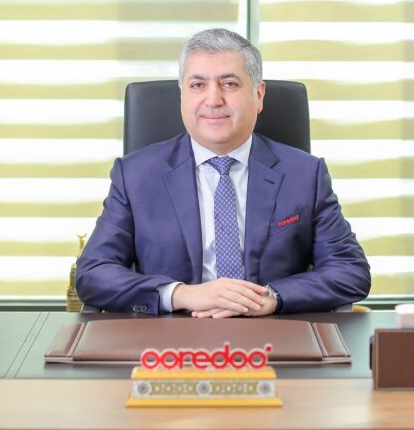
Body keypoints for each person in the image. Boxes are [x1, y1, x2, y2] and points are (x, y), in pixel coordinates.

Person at [75, 28, 371, 316]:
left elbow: (350, 270)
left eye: (229, 84)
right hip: (171, 335)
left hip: (274, 332)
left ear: (259, 95)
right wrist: (181, 294)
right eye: (197, 85)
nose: (213, 100)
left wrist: (271, 298)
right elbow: (94, 273)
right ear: (182, 95)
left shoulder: (304, 174)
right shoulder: (135, 175)